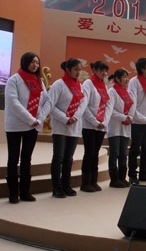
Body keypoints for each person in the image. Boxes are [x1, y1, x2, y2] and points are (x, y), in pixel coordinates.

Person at [5, 52, 51, 203]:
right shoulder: (14, 80)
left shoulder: (39, 81)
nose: (35, 65)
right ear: (24, 62)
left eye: (37, 62)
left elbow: (46, 102)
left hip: (33, 127)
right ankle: (13, 193)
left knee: (26, 159)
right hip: (15, 126)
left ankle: (25, 192)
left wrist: (40, 118)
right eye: (32, 62)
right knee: (13, 159)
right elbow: (13, 102)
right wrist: (31, 119)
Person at [48, 58, 88, 198]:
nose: (79, 72)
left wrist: (75, 117)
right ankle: (56, 187)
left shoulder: (80, 86)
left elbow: (83, 103)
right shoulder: (58, 85)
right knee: (58, 157)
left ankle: (66, 184)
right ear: (68, 70)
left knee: (68, 158)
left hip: (74, 127)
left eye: (80, 69)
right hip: (60, 126)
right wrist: (65, 119)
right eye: (76, 69)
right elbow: (50, 106)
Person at [80, 61, 112, 192]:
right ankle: (85, 182)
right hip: (89, 125)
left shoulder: (103, 85)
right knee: (89, 153)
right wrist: (94, 121)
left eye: (105, 71)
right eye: (101, 70)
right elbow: (84, 105)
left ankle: (94, 180)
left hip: (101, 125)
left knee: (96, 153)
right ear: (95, 70)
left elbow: (108, 104)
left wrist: (104, 121)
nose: (104, 73)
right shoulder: (88, 83)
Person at [128, 57, 146, 185]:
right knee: (135, 149)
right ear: (142, 68)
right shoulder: (134, 82)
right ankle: (132, 175)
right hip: (138, 122)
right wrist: (145, 119)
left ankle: (144, 173)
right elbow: (132, 104)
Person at [107, 69, 135, 188]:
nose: (127, 79)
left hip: (125, 127)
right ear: (117, 79)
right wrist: (124, 117)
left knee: (123, 153)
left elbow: (133, 106)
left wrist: (130, 117)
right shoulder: (112, 92)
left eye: (127, 76)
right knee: (115, 153)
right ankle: (114, 179)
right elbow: (110, 110)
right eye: (124, 77)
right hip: (114, 127)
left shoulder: (128, 92)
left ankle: (122, 177)